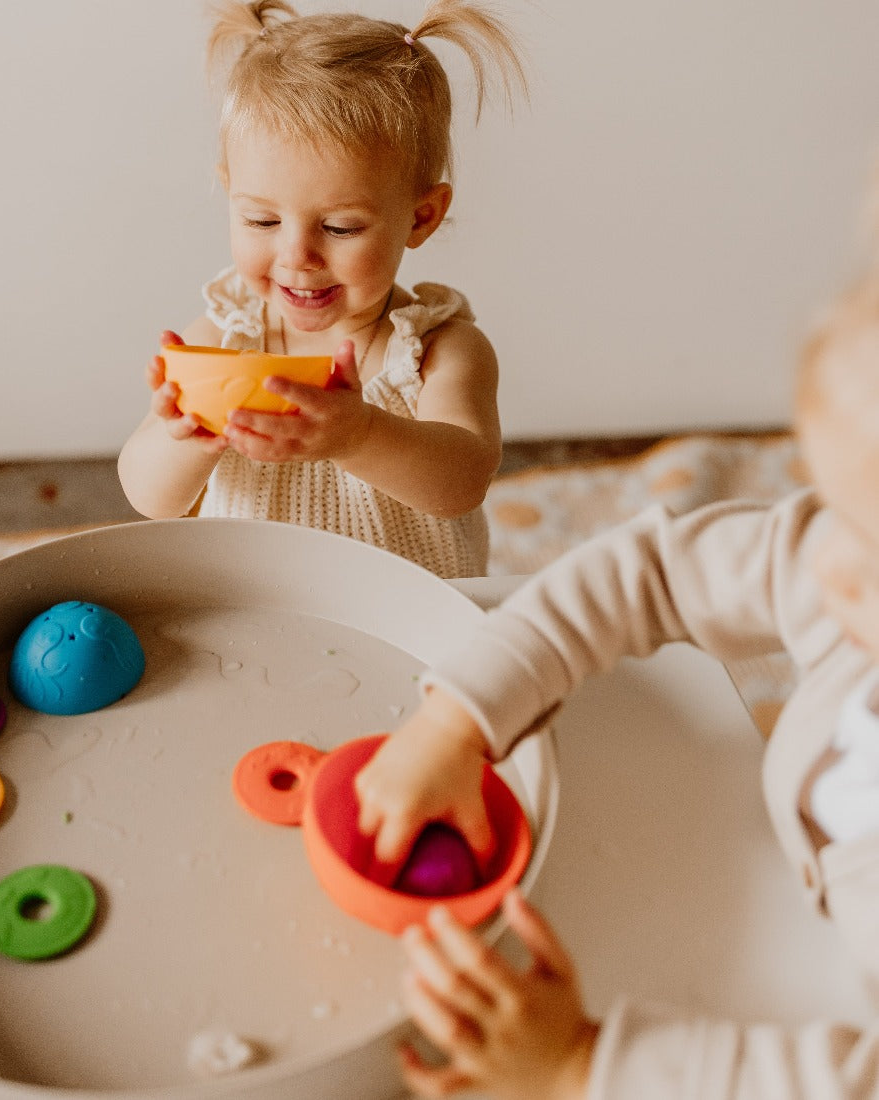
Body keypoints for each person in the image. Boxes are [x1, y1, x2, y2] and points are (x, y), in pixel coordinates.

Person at [353, 205, 879, 1097]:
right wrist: (461, 718)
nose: (823, 556)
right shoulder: (837, 571)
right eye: (833, 501)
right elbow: (653, 571)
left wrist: (584, 1064)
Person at [118, 0, 527, 579]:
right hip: (256, 614)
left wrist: (357, 434)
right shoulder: (222, 340)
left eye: (339, 228)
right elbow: (147, 496)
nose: (296, 257)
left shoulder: (439, 352)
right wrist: (184, 435)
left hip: (410, 625)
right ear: (229, 194)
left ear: (421, 217)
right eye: (262, 221)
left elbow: (462, 482)